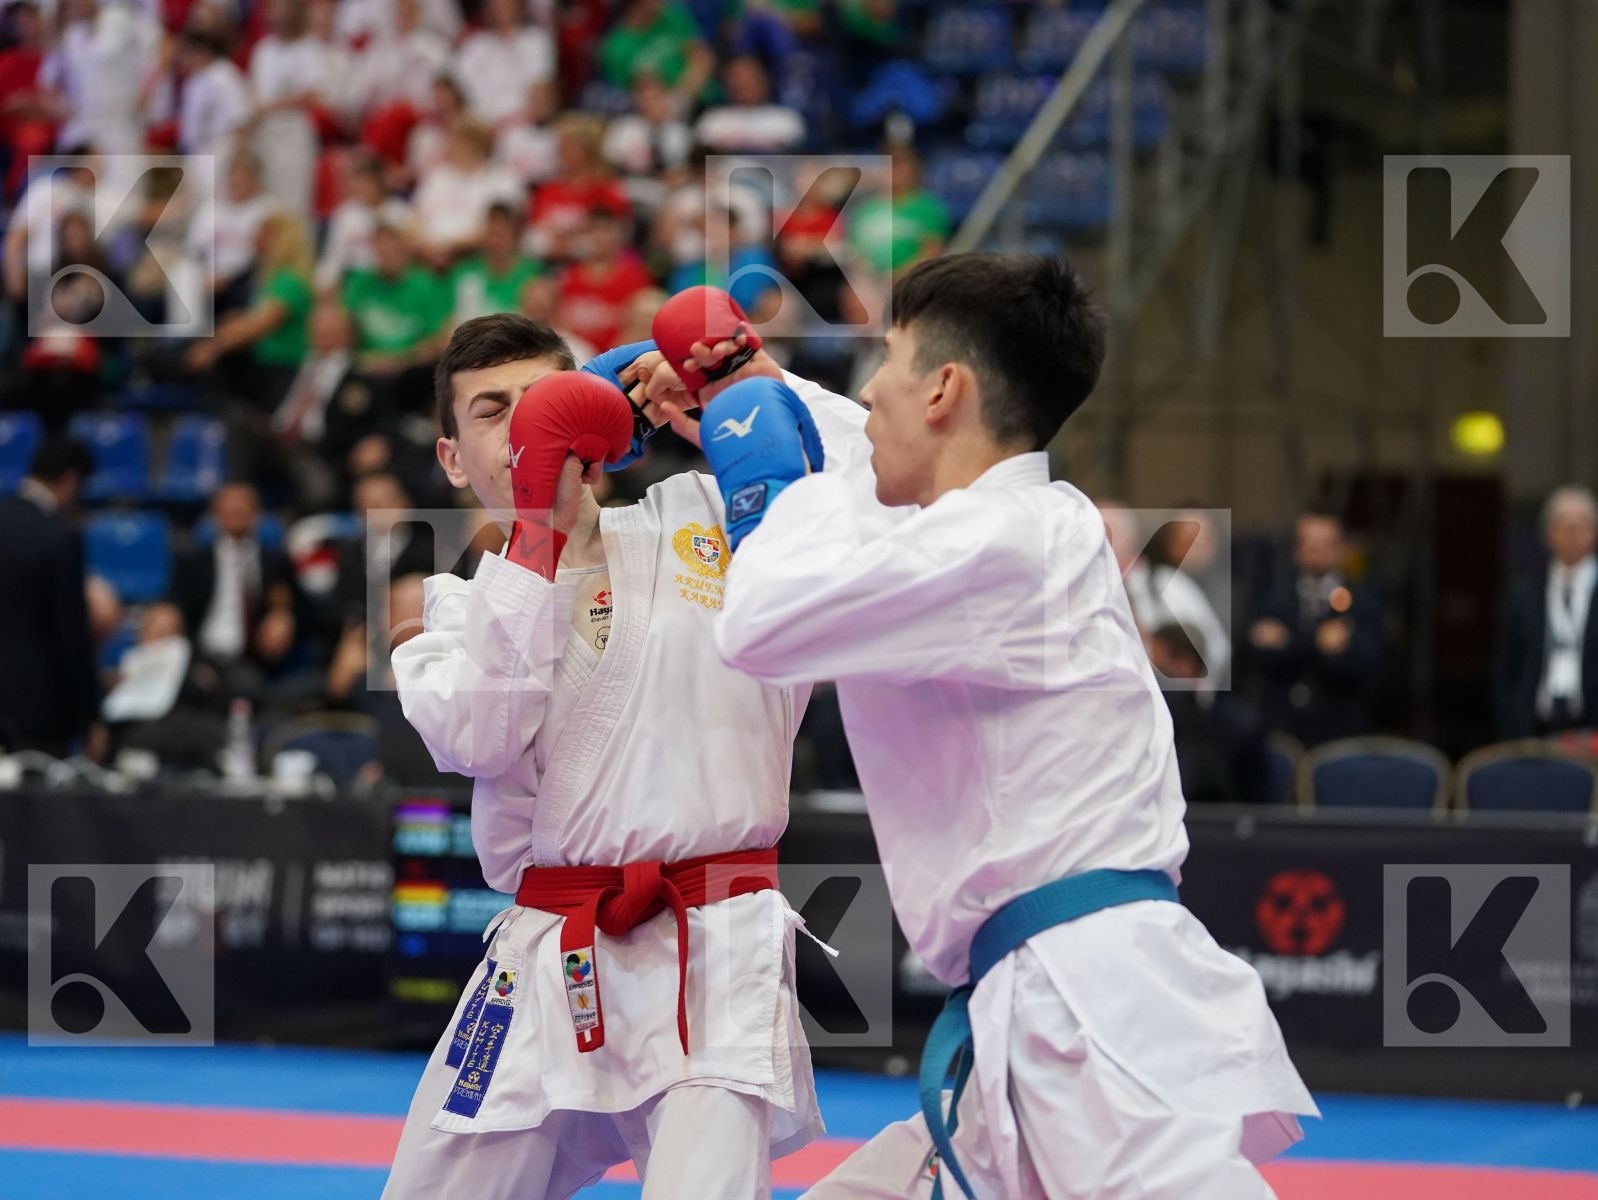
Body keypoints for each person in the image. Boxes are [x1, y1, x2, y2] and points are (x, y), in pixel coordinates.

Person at [668, 255, 1314, 1198]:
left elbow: (762, 624)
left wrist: (767, 468)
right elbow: (876, 462)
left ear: (943, 387)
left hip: (1087, 1008)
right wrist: (750, 392)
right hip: (1040, 996)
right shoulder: (1001, 523)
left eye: (884, 363)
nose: (870, 391)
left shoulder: (1004, 545)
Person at [380, 311, 874, 1199]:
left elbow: (886, 488)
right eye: (493, 412)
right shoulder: (453, 610)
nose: (529, 426)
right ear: (454, 459)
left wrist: (745, 391)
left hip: (714, 943)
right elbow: (476, 737)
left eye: (546, 400)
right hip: (546, 953)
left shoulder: (714, 517)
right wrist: (536, 538)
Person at [1246, 510, 1383, 747]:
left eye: (1325, 543)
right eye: (1308, 542)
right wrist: (1318, 643)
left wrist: (1290, 644)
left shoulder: (1363, 600)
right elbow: (1259, 657)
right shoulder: (1272, 597)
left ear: (1341, 548)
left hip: (1339, 729)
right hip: (1282, 728)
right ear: (1296, 549)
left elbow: (1366, 664)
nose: (1316, 550)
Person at [0, 435, 100, 758]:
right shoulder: (59, 538)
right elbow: (70, 635)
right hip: (36, 710)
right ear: (71, 480)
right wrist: (88, 718)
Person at [168, 482, 301, 704]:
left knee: (248, 686)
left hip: (251, 661)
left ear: (257, 514)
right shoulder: (192, 561)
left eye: (242, 508)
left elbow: (304, 606)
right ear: (214, 516)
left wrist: (286, 616)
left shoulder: (275, 561)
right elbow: (173, 605)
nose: (236, 513)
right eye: (229, 508)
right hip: (200, 656)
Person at [1495, 484, 1598, 738]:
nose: (1572, 532)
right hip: (1533, 731)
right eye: (1563, 523)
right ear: (1548, 533)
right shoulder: (1523, 593)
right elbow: (1505, 667)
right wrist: (1511, 728)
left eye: (1581, 523)